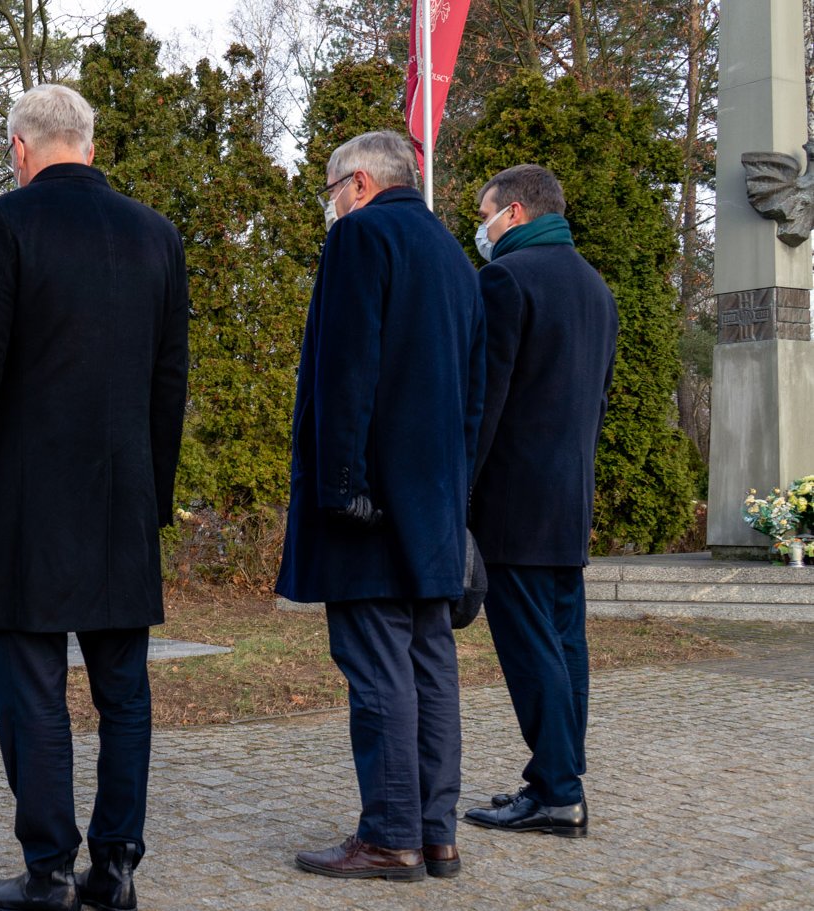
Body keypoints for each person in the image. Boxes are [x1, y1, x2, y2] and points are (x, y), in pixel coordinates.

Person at [0, 83, 190, 911]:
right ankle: (114, 871)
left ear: (21, 148)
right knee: (125, 691)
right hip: (121, 498)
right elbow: (168, 382)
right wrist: (152, 496)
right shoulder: (158, 234)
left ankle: (47, 872)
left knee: (33, 687)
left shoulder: (5, 225)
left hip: (27, 502)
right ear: (88, 141)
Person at [276, 131, 484, 882]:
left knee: (378, 665)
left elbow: (345, 371)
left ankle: (391, 834)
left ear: (358, 183)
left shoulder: (362, 238)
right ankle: (436, 834)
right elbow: (474, 401)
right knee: (430, 660)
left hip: (366, 501)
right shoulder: (458, 259)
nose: (331, 206)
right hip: (432, 504)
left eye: (332, 192)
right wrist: (455, 500)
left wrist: (339, 485)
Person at [461, 164, 617, 839]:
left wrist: (457, 492)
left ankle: (556, 790)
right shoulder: (596, 287)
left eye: (487, 214)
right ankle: (560, 775)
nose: (484, 228)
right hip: (569, 494)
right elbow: (599, 400)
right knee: (564, 641)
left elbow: (483, 402)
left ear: (515, 213)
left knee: (531, 648)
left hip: (513, 501)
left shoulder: (506, 279)